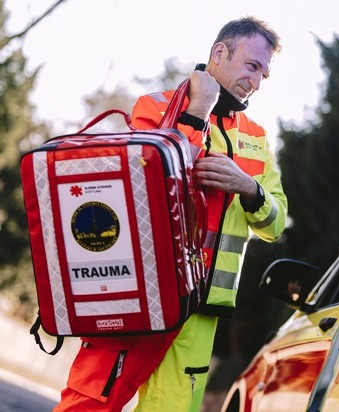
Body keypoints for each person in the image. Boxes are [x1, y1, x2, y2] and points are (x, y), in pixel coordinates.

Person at [54, 16, 287, 412]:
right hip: (143, 294)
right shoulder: (157, 106)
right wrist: (198, 111)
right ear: (219, 53)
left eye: (265, 73)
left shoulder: (258, 137)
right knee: (90, 402)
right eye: (252, 66)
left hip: (201, 311)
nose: (257, 82)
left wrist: (250, 188)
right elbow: (144, 181)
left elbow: (276, 224)